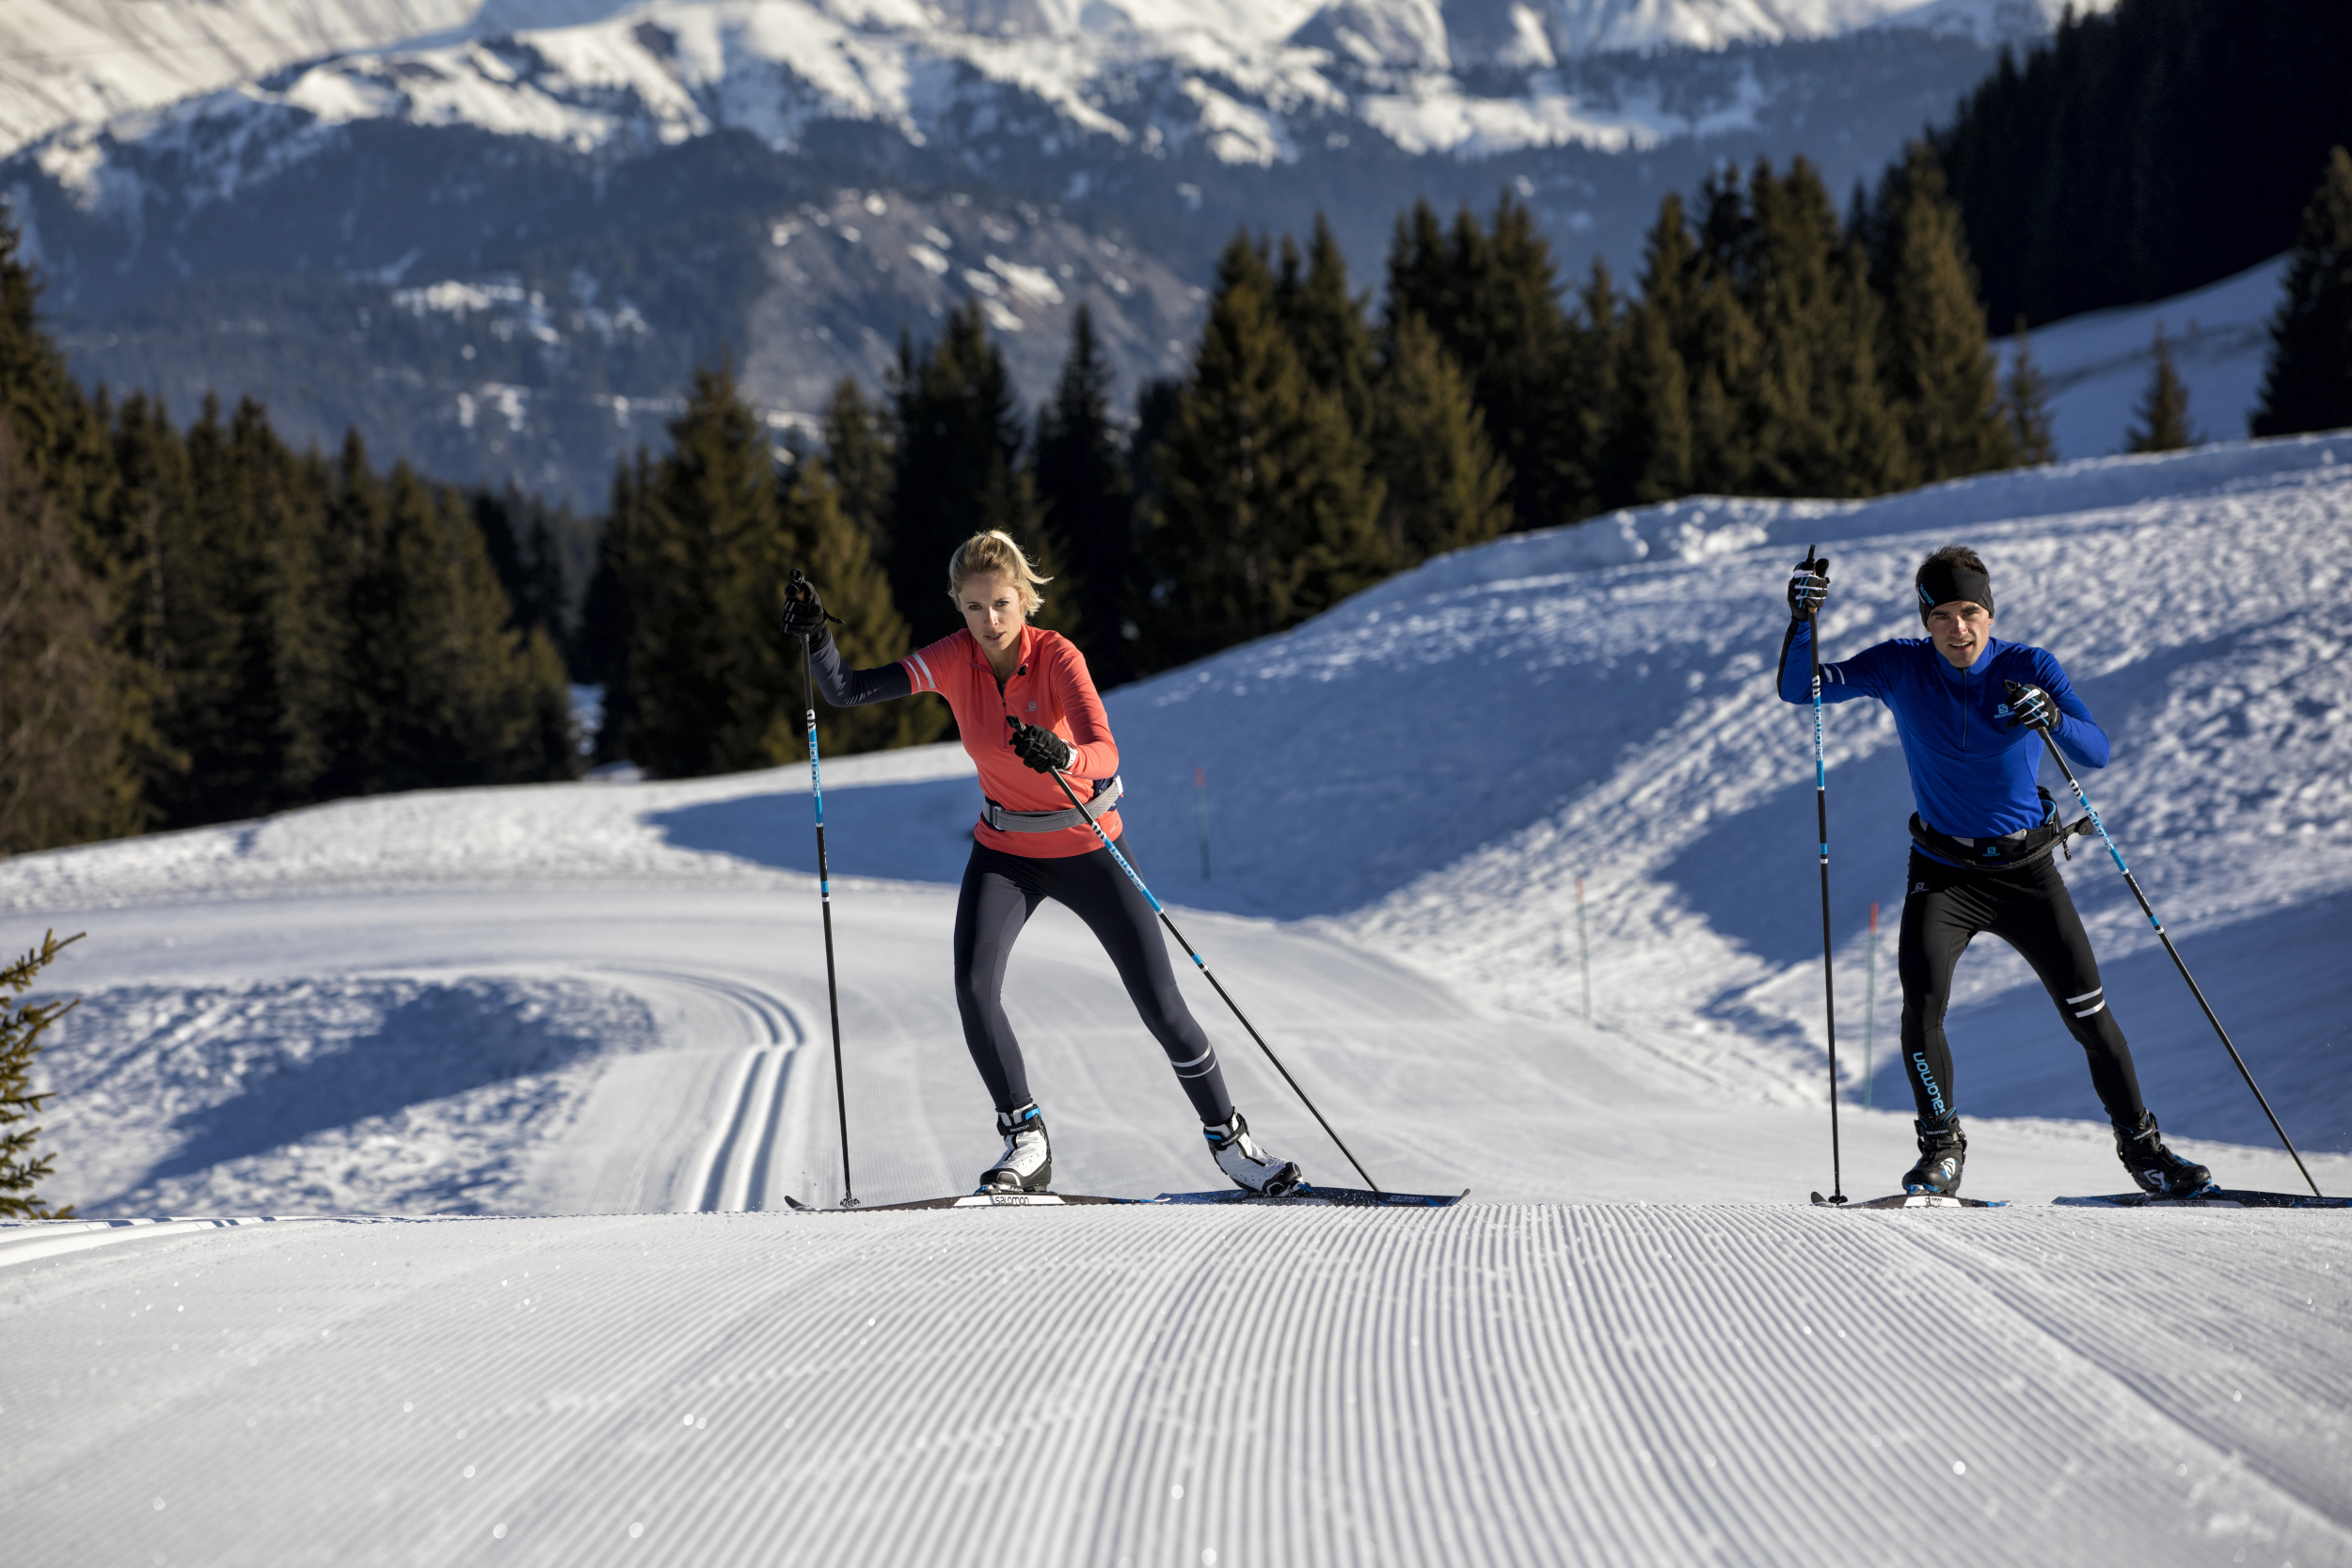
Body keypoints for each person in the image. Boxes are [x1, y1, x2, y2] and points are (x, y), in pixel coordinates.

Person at [781, 529, 1305, 1196]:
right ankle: (1025, 1138)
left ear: (1024, 599)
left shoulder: (1057, 656)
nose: (989, 621)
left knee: (1161, 1004)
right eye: (973, 607)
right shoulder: (954, 658)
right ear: (958, 607)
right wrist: (818, 638)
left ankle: (1232, 1143)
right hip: (1006, 852)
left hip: (1087, 845)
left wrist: (1064, 758)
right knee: (974, 988)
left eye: (1000, 604)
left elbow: (1105, 750)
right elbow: (850, 690)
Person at [1777, 544, 2214, 1198]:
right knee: (1921, 1009)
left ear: (1990, 611)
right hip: (1944, 874)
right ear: (1926, 620)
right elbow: (1799, 688)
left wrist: (2054, 716)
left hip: (2028, 872)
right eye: (1944, 614)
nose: (1959, 628)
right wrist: (1803, 622)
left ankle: (2146, 1151)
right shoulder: (1900, 665)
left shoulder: (2028, 665)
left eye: (1972, 611)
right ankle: (1942, 1148)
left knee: (2090, 1017)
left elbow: (2096, 751)